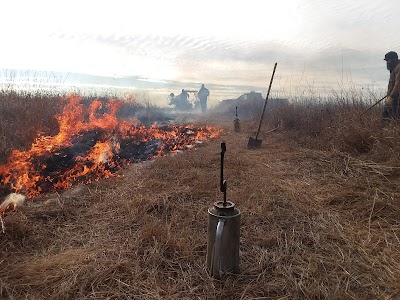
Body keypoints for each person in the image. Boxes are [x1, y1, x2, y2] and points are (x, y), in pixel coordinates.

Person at [383, 51, 400, 122]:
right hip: (394, 97)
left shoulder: (399, 68)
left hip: (396, 98)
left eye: (388, 60)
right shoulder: (394, 69)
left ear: (394, 59)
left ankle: (384, 131)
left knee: (387, 116)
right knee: (388, 116)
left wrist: (391, 96)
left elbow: (398, 83)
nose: (387, 62)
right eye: (386, 60)